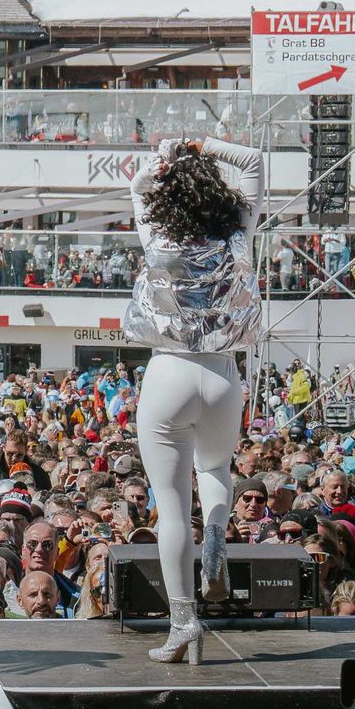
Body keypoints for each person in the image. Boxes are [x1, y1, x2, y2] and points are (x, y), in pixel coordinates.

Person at [116, 133, 265, 665]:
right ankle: (219, 535)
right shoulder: (238, 232)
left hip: (169, 373)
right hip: (224, 374)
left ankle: (184, 623)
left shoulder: (156, 235)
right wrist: (201, 145)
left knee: (172, 507)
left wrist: (166, 156)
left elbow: (138, 183)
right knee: (216, 467)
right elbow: (251, 159)